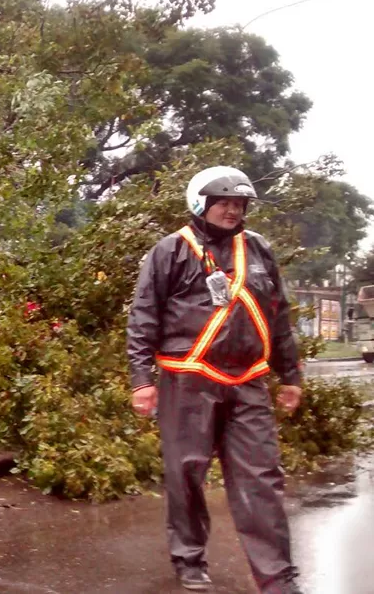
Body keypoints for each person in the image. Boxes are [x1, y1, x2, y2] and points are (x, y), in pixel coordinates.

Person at [126, 166, 304, 593]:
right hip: (188, 380)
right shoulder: (171, 250)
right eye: (224, 202)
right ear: (201, 202)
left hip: (248, 383)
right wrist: (141, 378)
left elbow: (278, 317)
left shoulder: (259, 249)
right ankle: (189, 559)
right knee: (185, 473)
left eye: (239, 204)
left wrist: (291, 374)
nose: (232, 210)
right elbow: (144, 315)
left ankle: (277, 576)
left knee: (262, 478)